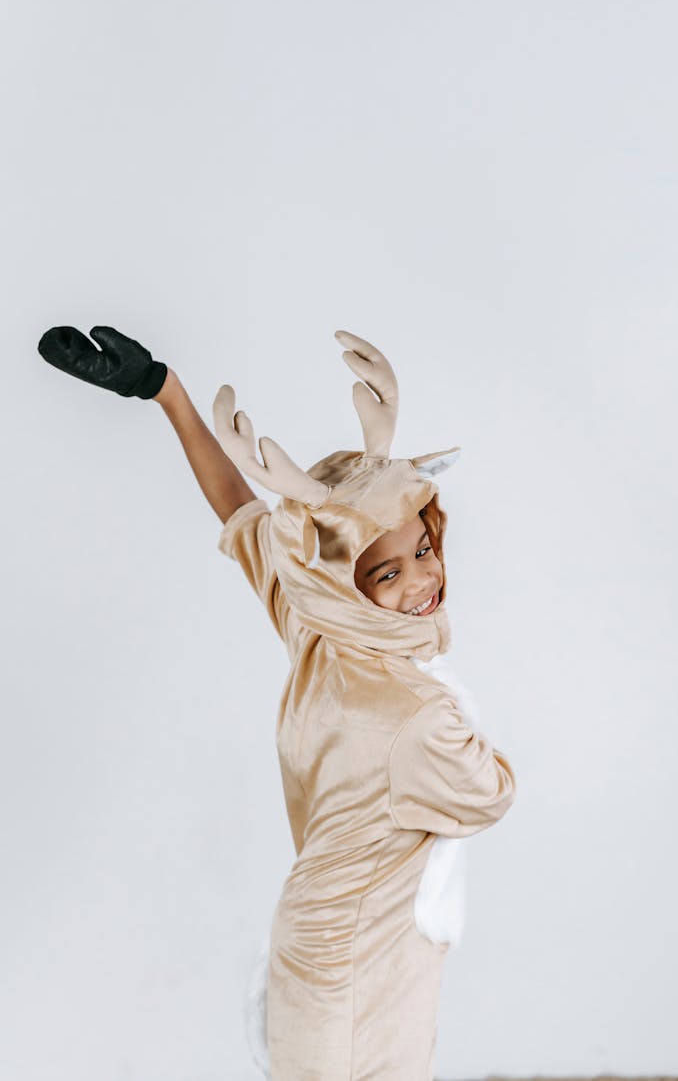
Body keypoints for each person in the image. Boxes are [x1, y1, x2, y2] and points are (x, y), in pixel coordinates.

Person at [38, 325, 516, 1081]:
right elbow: (489, 795)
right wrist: (459, 716)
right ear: (346, 587)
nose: (422, 581)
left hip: (315, 943)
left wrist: (166, 390)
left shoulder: (317, 629)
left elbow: (239, 510)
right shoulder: (422, 717)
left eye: (421, 549)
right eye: (385, 573)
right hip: (368, 962)